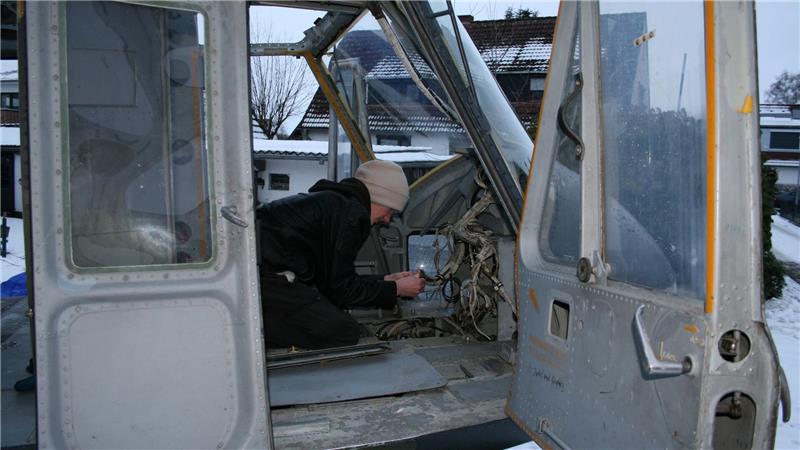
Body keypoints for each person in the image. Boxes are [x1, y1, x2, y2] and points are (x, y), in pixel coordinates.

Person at [257, 160, 425, 349]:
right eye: (390, 210)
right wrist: (396, 289)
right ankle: (255, 339)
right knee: (344, 332)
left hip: (263, 274)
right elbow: (340, 291)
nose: (387, 219)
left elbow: (333, 279)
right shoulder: (352, 214)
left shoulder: (335, 202)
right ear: (379, 197)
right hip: (266, 280)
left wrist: (387, 280)